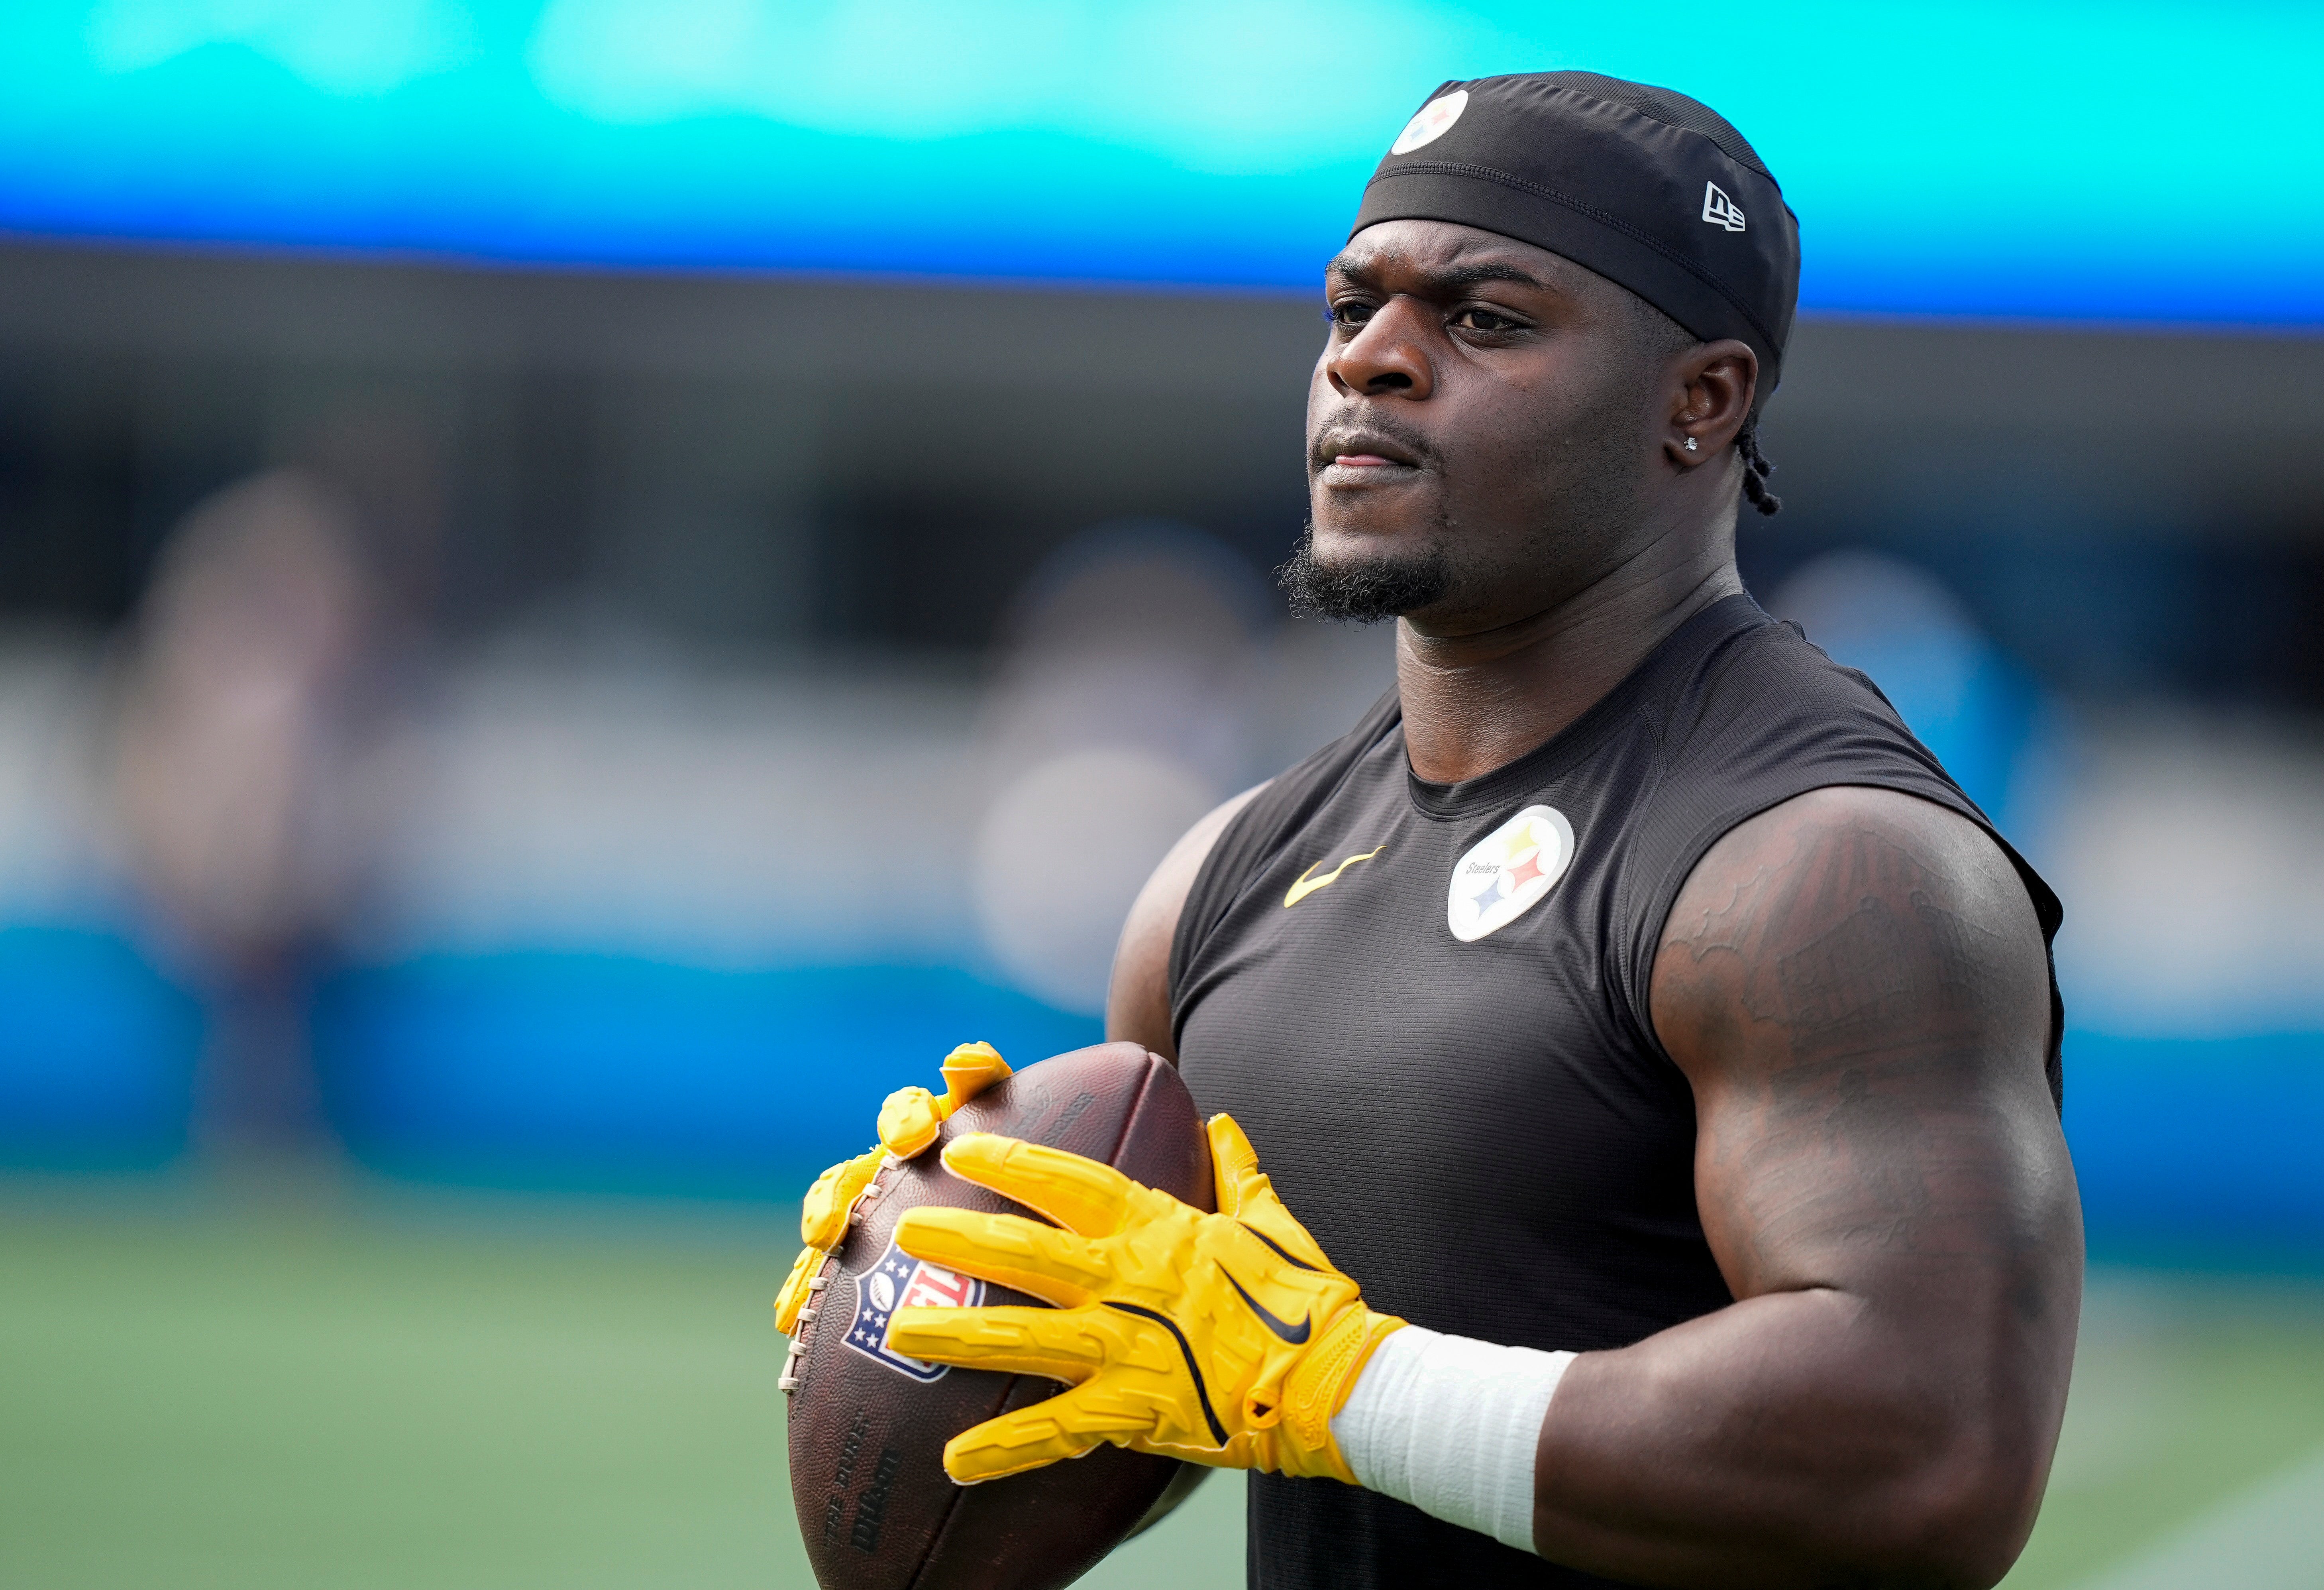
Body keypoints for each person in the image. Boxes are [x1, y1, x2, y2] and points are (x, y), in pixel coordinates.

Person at [777, 71, 2079, 1589]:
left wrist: (1339, 1383)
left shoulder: (1818, 864)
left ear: (1701, 403)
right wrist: (955, 1291)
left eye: (1485, 320)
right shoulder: (1221, 879)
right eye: (1352, 309)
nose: (1371, 360)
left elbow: (1927, 1452)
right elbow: (1191, 1392)